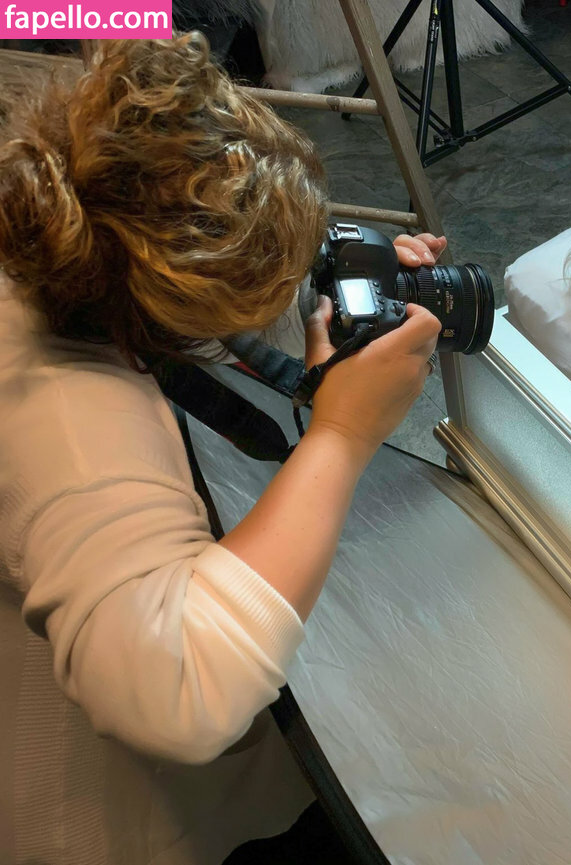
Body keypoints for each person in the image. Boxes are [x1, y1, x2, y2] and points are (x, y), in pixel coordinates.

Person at [0, 35, 446, 865]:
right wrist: (343, 433)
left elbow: (193, 316)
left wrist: (323, 281)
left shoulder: (76, 221)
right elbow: (178, 696)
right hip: (137, 820)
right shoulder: (67, 415)